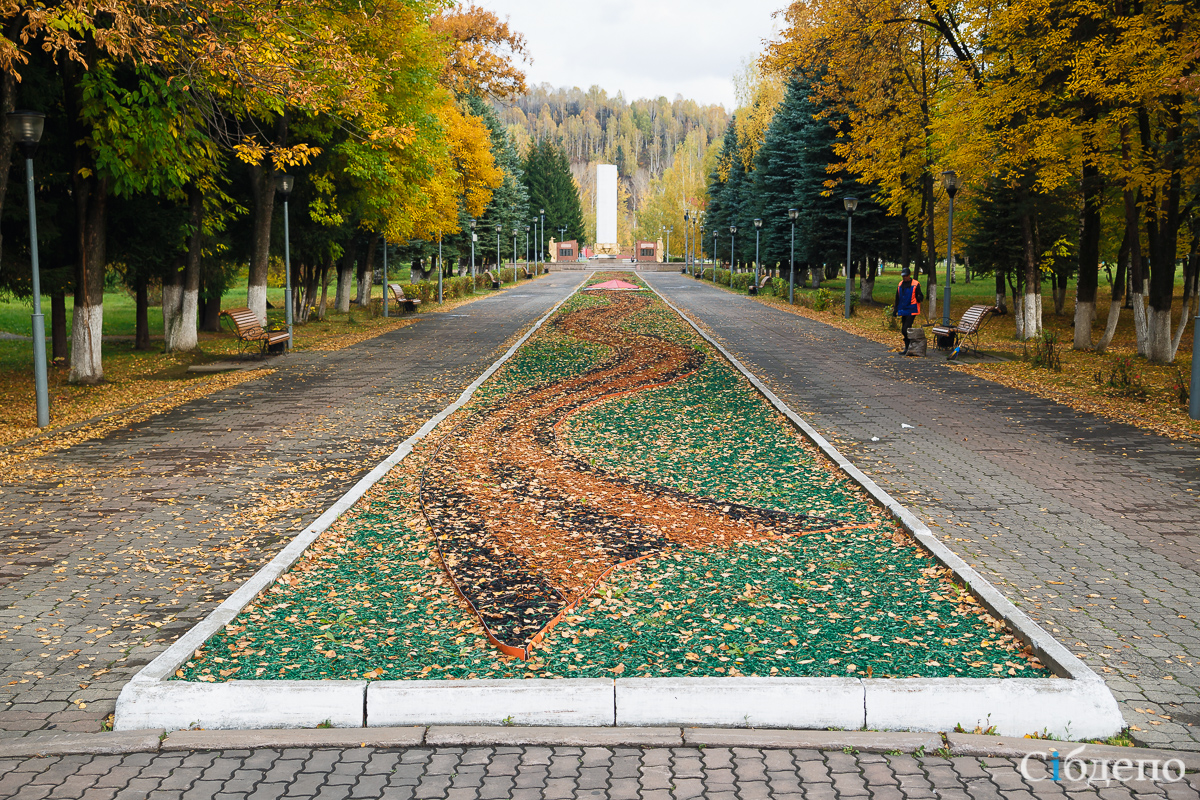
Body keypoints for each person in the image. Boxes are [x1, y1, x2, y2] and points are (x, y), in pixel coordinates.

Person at [892, 267, 925, 355]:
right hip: (903, 309)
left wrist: (919, 298)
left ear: (909, 275)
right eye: (903, 276)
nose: (904, 277)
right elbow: (897, 297)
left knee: (905, 328)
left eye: (906, 276)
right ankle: (908, 347)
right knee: (905, 330)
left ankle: (909, 346)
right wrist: (895, 309)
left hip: (912, 309)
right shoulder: (900, 284)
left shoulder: (915, 283)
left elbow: (921, 295)